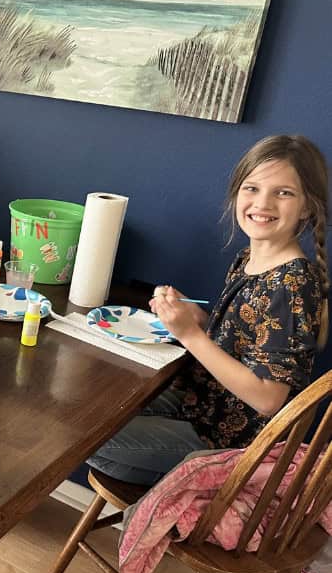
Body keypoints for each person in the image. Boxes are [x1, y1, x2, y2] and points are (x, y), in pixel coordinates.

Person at [88, 135, 328, 486]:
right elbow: (246, 341)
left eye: (284, 193)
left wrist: (190, 334)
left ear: (307, 207)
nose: (263, 203)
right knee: (89, 413)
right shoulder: (250, 258)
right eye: (252, 188)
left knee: (82, 438)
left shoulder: (292, 284)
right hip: (200, 405)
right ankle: (172, 487)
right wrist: (199, 318)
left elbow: (268, 398)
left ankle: (189, 487)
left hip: (229, 444)